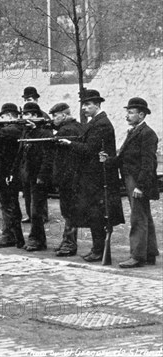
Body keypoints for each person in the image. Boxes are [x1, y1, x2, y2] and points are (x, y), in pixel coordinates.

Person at [59, 89, 124, 262]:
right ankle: (97, 249)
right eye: (83, 105)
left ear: (97, 105)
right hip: (94, 177)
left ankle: (99, 250)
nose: (84, 108)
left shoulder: (101, 124)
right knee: (94, 214)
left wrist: (69, 144)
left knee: (98, 214)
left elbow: (89, 149)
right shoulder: (95, 122)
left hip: (98, 177)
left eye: (88, 105)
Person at [100, 98, 159, 268]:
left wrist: (140, 186)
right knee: (144, 216)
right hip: (131, 178)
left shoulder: (147, 134)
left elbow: (149, 163)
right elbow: (124, 158)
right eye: (127, 112)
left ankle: (137, 256)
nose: (127, 115)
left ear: (141, 115)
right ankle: (149, 253)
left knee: (138, 218)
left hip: (137, 180)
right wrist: (109, 161)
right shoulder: (134, 132)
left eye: (131, 112)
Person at [13, 102, 53, 251]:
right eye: (24, 114)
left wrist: (42, 175)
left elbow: (47, 156)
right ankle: (38, 240)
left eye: (28, 114)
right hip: (27, 176)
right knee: (31, 211)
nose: (25, 117)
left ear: (36, 116)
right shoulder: (26, 131)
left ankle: (35, 240)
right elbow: (20, 153)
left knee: (36, 211)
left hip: (38, 176)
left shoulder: (44, 132)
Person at [49, 103, 84, 257]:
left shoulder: (66, 130)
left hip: (67, 177)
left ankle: (69, 244)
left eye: (55, 115)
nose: (53, 119)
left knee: (69, 211)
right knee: (70, 211)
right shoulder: (77, 127)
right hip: (74, 175)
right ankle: (67, 241)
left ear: (63, 115)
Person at [0, 103, 25, 248]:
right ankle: (16, 237)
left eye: (3, 116)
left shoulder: (9, 130)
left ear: (10, 116)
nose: (2, 120)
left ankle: (10, 236)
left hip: (5, 173)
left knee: (8, 206)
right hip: (11, 173)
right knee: (11, 205)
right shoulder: (19, 129)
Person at [20, 86, 49, 223]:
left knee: (38, 191)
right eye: (25, 99)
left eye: (29, 99)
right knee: (27, 190)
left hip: (38, 156)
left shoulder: (42, 116)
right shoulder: (25, 115)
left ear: (36, 99)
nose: (27, 101)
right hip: (28, 156)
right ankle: (30, 214)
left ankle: (41, 215)